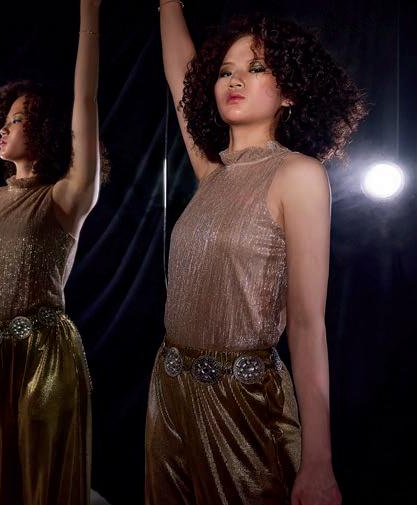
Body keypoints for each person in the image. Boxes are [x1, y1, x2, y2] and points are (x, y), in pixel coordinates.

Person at [147, 2, 367, 504]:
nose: (235, 80)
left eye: (256, 67)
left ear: (290, 91)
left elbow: (307, 325)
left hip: (243, 405)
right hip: (169, 396)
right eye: (225, 71)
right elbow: (179, 75)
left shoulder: (298, 174)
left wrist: (318, 461)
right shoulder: (212, 174)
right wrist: (168, 4)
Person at [0, 1, 108, 503]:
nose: (3, 128)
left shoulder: (65, 196)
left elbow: (85, 101)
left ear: (44, 129)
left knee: (42, 489)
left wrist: (88, 14)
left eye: (16, 120)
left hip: (46, 358)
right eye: (4, 119)